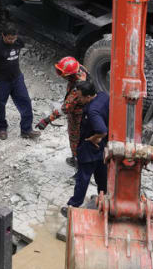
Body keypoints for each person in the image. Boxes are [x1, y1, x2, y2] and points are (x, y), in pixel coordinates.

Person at [0, 23, 40, 140]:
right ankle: (2, 128)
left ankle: (26, 130)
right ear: (3, 36)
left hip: (17, 78)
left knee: (25, 102)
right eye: (9, 38)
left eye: (14, 38)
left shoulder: (18, 41)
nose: (12, 41)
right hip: (1, 81)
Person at [61, 80, 109, 216]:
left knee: (82, 178)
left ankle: (73, 206)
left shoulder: (92, 111)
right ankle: (104, 198)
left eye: (80, 97)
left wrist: (93, 138)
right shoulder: (103, 96)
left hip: (90, 148)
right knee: (102, 174)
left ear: (88, 97)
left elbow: (102, 130)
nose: (78, 99)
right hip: (104, 146)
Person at [36, 56, 90, 166]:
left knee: (75, 138)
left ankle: (78, 163)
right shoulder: (80, 69)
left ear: (70, 75)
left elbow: (65, 108)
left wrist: (47, 120)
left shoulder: (76, 90)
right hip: (85, 109)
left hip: (78, 115)